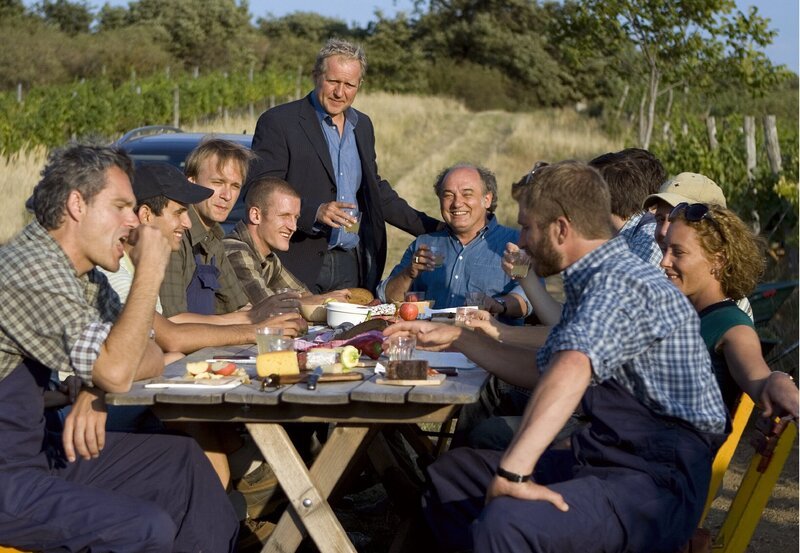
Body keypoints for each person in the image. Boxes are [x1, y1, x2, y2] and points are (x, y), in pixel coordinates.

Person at [385, 161, 727, 553]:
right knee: (452, 475)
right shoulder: (593, 276)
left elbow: (573, 366)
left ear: (561, 229)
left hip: (653, 482)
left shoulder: (619, 280)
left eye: (528, 228)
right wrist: (460, 339)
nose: (522, 241)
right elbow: (542, 368)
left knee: (506, 521)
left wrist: (514, 472)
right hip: (603, 456)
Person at [0, 144, 238, 552]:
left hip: (40, 453)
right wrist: (150, 270)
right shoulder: (30, 271)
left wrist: (95, 388)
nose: (133, 222)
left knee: (183, 462)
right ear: (77, 204)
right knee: (144, 527)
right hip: (9, 477)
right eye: (121, 207)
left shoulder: (83, 275)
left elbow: (145, 354)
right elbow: (117, 367)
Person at [251, 38, 441, 293]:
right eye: (333, 82)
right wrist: (314, 211)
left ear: (359, 85)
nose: (340, 92)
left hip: (353, 263)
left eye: (349, 85)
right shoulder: (278, 122)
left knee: (353, 334)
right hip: (296, 262)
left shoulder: (362, 126)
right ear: (316, 76)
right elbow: (260, 188)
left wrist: (435, 228)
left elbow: (376, 192)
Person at [660, 202, 798, 417]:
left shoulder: (732, 325)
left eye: (678, 252)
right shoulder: (681, 312)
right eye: (665, 248)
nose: (664, 261)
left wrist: (777, 381)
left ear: (718, 261)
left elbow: (758, 379)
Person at [159, 137, 302, 318]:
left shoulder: (213, 239)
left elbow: (239, 307)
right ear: (191, 182)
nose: (227, 195)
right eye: (218, 183)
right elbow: (173, 321)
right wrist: (254, 325)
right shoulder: (175, 236)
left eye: (235, 186)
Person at [378, 163, 531, 318]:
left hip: (488, 339)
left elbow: (528, 298)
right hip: (428, 338)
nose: (457, 203)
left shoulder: (515, 243)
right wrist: (408, 274)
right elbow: (387, 298)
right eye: (448, 195)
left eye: (467, 194)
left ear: (487, 199)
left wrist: (498, 305)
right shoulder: (425, 244)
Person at [224, 175, 351, 306]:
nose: (293, 227)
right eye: (284, 216)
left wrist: (324, 300)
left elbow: (303, 294)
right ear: (256, 215)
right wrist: (325, 301)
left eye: (295, 218)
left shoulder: (269, 257)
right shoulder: (236, 250)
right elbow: (267, 307)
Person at [643, 171, 754, 319]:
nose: (664, 231)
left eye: (677, 220)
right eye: (660, 219)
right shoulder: (670, 289)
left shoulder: (729, 315)